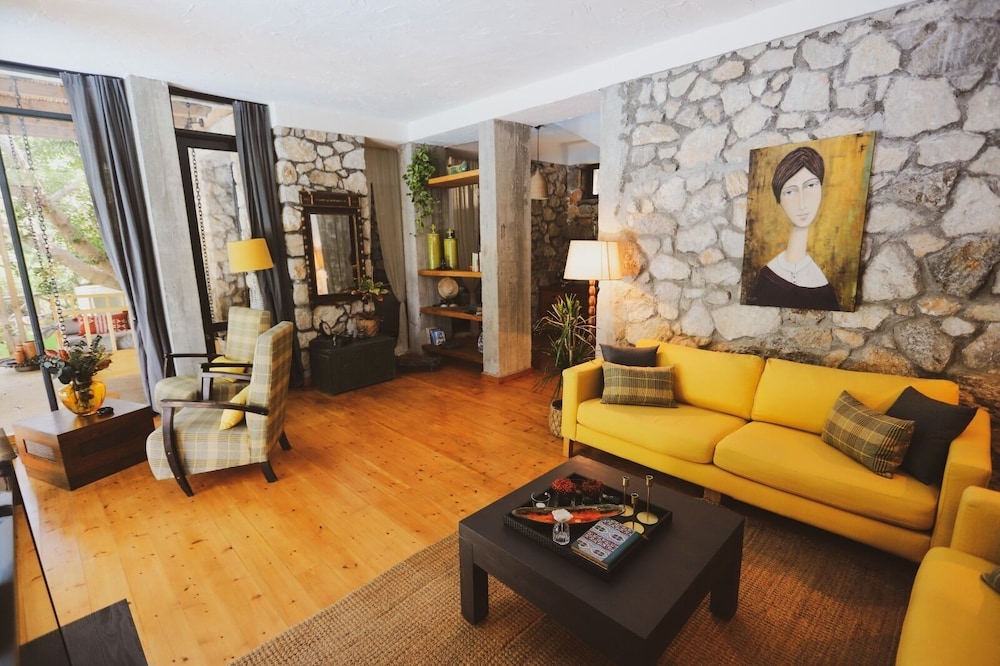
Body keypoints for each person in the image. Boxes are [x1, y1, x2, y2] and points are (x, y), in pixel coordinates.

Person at [748, 146, 841, 310]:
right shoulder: (765, 277)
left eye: (810, 186)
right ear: (779, 200)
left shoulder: (824, 286)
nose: (802, 203)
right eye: (790, 192)